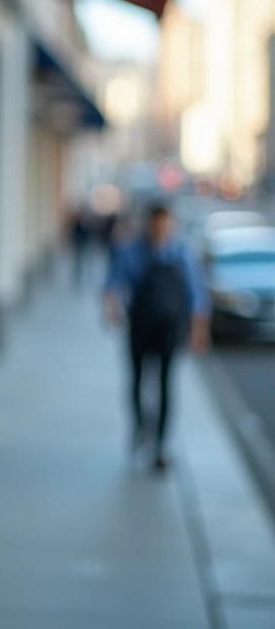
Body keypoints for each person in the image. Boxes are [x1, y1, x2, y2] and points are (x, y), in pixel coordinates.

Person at [103, 202, 209, 472]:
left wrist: (198, 331)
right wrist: (111, 307)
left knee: (164, 383)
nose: (161, 229)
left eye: (165, 224)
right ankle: (139, 427)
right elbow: (113, 281)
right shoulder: (132, 251)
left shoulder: (181, 253)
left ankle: (161, 443)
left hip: (169, 328)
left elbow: (196, 296)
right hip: (140, 325)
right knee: (137, 380)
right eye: (156, 224)